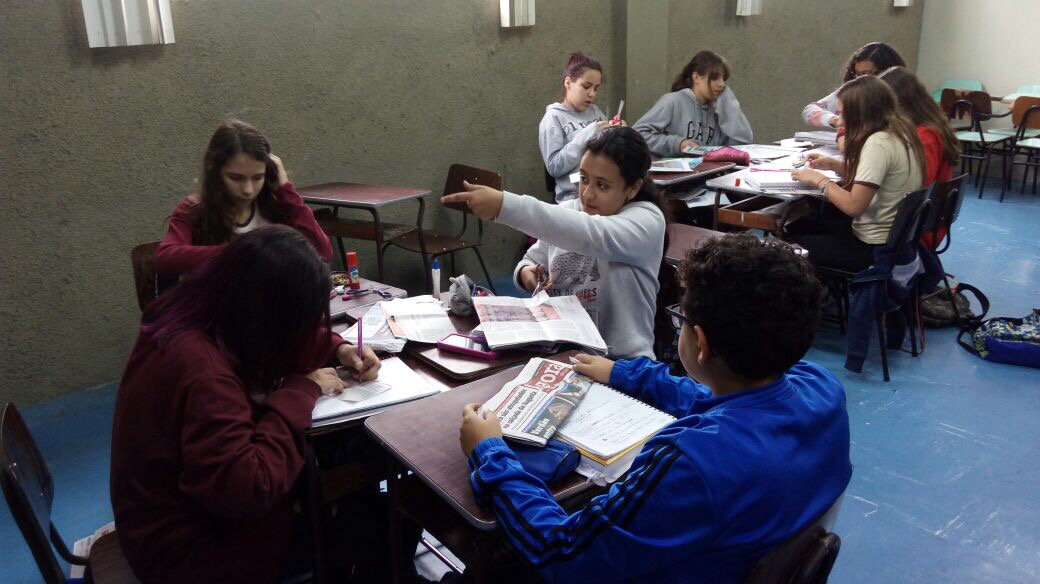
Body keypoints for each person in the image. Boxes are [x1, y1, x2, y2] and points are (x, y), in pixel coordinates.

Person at [458, 234, 852, 583]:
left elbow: (562, 553)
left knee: (496, 552)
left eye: (682, 318)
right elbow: (710, 398)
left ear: (700, 343)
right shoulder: (820, 386)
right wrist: (624, 373)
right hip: (732, 557)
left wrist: (490, 453)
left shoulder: (689, 462)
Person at [110, 226, 381, 583]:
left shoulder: (192, 309)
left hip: (157, 519)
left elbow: (271, 335)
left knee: (331, 474)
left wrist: (337, 347)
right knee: (380, 520)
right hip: (190, 554)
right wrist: (300, 391)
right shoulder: (206, 375)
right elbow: (251, 489)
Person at [442, 126, 667, 359]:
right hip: (564, 352)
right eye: (583, 179)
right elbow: (531, 259)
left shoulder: (647, 220)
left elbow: (589, 233)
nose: (587, 194)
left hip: (621, 362)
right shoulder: (570, 211)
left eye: (602, 185)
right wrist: (527, 274)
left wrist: (504, 206)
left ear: (633, 187)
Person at [154, 119, 332, 280]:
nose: (248, 190)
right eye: (236, 178)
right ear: (216, 173)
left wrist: (286, 191)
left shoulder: (276, 206)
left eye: (257, 178)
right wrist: (242, 253)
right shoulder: (194, 209)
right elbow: (164, 258)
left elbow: (322, 252)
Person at [789, 75, 925, 273]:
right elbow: (880, 178)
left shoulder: (878, 143)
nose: (839, 121)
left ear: (861, 114)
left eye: (842, 114)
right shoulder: (901, 131)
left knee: (787, 244)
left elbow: (854, 207)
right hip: (895, 241)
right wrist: (835, 165)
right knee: (803, 224)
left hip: (871, 248)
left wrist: (819, 179)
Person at [633, 50, 752, 157]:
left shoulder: (718, 110)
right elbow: (637, 135)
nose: (721, 84)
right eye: (715, 78)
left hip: (707, 172)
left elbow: (742, 143)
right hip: (675, 173)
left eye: (723, 79)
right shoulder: (673, 101)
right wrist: (678, 144)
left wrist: (729, 104)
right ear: (696, 77)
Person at [540, 52, 622, 202]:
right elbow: (554, 167)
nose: (592, 94)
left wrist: (620, 134)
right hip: (573, 195)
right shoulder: (554, 117)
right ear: (568, 83)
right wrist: (589, 133)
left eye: (596, 88)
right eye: (586, 86)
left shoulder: (595, 111)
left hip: (605, 188)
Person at [879, 66, 960, 186]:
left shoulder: (925, 135)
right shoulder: (929, 126)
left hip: (924, 197)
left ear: (900, 103)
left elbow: (921, 182)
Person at [802, 42, 907, 129]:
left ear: (887, 72)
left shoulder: (903, 95)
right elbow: (809, 110)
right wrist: (832, 119)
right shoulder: (852, 91)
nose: (861, 79)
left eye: (867, 74)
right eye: (857, 74)